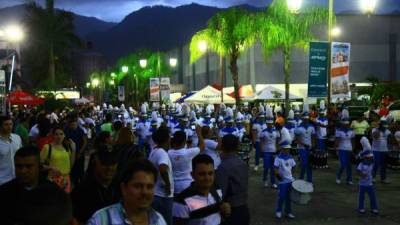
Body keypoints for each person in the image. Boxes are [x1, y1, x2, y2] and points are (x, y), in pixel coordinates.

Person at [87, 159, 166, 225]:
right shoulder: (101, 220)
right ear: (124, 188)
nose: (144, 192)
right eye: (138, 186)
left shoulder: (159, 221)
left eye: (149, 187)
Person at [0, 146, 62, 224]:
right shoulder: (4, 193)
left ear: (39, 167)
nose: (23, 171)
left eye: (28, 166)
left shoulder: (53, 192)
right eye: (19, 166)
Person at [173, 154, 231, 225]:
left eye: (210, 173)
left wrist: (224, 209)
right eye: (202, 174)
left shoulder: (217, 190)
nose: (207, 178)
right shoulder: (181, 202)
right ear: (192, 175)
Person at [72, 148, 120, 224]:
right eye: (104, 164)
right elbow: (75, 218)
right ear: (95, 164)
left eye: (113, 163)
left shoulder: (121, 188)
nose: (109, 168)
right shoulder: (82, 190)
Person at [216, 134, 250, 225]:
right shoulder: (242, 163)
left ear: (222, 147)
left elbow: (220, 194)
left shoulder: (223, 167)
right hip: (243, 208)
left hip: (230, 211)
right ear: (237, 146)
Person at [148, 127, 174, 225]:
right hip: (163, 196)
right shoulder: (162, 153)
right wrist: (168, 184)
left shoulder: (154, 151)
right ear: (167, 139)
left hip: (156, 193)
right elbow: (163, 168)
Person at [168, 128, 205, 195]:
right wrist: (199, 133)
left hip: (174, 185)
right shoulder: (188, 152)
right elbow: (202, 146)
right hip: (187, 185)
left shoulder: (168, 153)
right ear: (185, 141)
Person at [40, 127, 75, 193]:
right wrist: (50, 167)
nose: (59, 136)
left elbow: (70, 165)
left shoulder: (67, 148)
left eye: (61, 134)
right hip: (53, 180)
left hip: (66, 180)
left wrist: (73, 150)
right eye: (56, 134)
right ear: (53, 135)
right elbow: (39, 165)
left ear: (64, 135)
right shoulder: (47, 147)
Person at [274, 142, 296, 219]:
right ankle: (278, 211)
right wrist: (279, 177)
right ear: (282, 149)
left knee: (289, 198)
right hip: (282, 182)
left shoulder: (291, 157)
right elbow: (275, 169)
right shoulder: (278, 158)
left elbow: (293, 167)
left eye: (288, 149)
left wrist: (291, 176)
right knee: (282, 197)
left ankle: (288, 212)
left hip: (290, 181)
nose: (287, 150)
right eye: (286, 149)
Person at [357, 137, 378, 214]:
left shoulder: (371, 164)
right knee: (361, 197)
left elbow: (370, 153)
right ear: (365, 158)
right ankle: (361, 208)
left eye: (371, 158)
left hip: (370, 184)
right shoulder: (361, 164)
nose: (371, 159)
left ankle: (374, 208)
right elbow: (358, 171)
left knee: (373, 196)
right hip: (362, 184)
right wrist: (362, 174)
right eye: (369, 158)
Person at [0, 115, 23, 186]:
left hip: (18, 178)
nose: (9, 127)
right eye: (6, 124)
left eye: (11, 124)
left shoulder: (17, 138)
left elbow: (21, 155)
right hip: (3, 180)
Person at [259, 116, 280, 188]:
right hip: (266, 152)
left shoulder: (276, 131)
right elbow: (261, 142)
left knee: (273, 168)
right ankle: (265, 180)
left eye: (271, 123)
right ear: (266, 123)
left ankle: (273, 182)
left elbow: (278, 140)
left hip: (274, 151)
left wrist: (277, 149)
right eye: (268, 123)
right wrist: (261, 150)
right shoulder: (263, 132)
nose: (270, 125)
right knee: (266, 167)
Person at [294, 112, 315, 183]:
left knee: (309, 165)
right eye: (304, 118)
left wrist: (313, 146)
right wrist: (303, 144)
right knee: (304, 163)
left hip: (309, 148)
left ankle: (309, 180)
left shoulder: (311, 127)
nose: (306, 120)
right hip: (302, 148)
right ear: (302, 118)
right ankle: (301, 178)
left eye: (307, 118)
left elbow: (313, 137)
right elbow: (296, 140)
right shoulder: (298, 128)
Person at [335, 117, 355, 185]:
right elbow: (337, 140)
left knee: (349, 165)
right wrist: (336, 148)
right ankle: (338, 177)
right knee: (343, 164)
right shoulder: (338, 130)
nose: (346, 125)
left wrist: (353, 148)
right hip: (341, 149)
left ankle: (349, 179)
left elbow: (353, 140)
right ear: (342, 124)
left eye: (347, 124)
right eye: (344, 124)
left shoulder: (352, 130)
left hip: (349, 149)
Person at [371, 117, 391, 183]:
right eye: (384, 124)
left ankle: (383, 178)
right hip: (376, 149)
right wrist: (379, 130)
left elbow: (390, 139)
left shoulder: (387, 131)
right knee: (376, 163)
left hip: (384, 150)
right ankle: (373, 177)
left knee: (383, 165)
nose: (385, 126)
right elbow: (375, 136)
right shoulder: (374, 129)